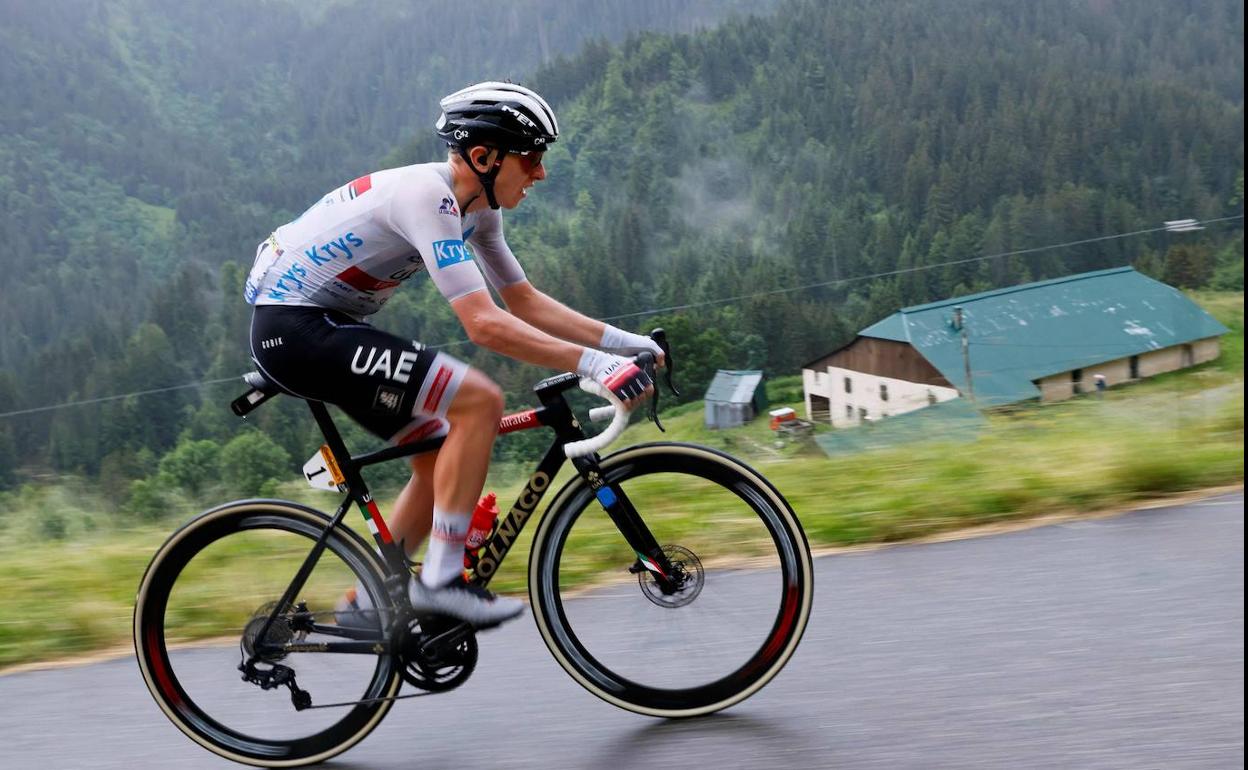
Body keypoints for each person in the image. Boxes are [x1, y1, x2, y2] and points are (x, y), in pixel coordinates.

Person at [243, 82, 662, 628]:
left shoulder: (478, 210)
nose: (541, 173)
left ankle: (369, 602)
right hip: (295, 330)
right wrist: (594, 365)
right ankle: (440, 581)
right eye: (531, 157)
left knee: (438, 456)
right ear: (484, 158)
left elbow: (523, 301)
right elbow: (482, 323)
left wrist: (623, 345)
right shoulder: (426, 195)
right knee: (479, 401)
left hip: (325, 327)